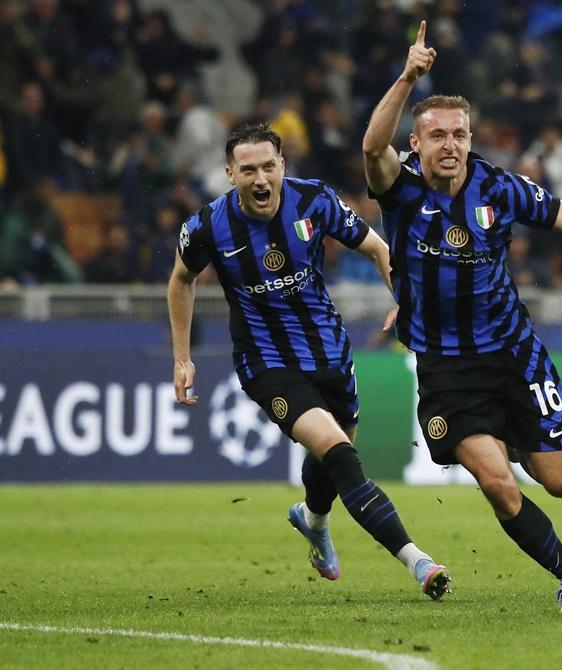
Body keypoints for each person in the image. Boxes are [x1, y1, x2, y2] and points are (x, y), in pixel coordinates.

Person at [361, 22, 562, 615]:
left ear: (470, 138)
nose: (448, 144)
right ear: (417, 144)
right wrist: (407, 77)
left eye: (458, 134)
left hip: (514, 354)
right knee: (500, 485)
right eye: (435, 136)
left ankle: (509, 439)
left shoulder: (499, 188)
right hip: (448, 371)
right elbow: (372, 149)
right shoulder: (398, 191)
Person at [167, 122, 451, 600]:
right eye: (248, 170)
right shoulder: (207, 226)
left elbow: (378, 249)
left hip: (330, 353)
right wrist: (182, 357)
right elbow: (181, 280)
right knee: (342, 457)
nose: (260, 180)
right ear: (229, 173)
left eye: (268, 167)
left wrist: (402, 299)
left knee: (330, 462)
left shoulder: (314, 200)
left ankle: (313, 519)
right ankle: (415, 559)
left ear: (282, 166)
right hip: (267, 362)